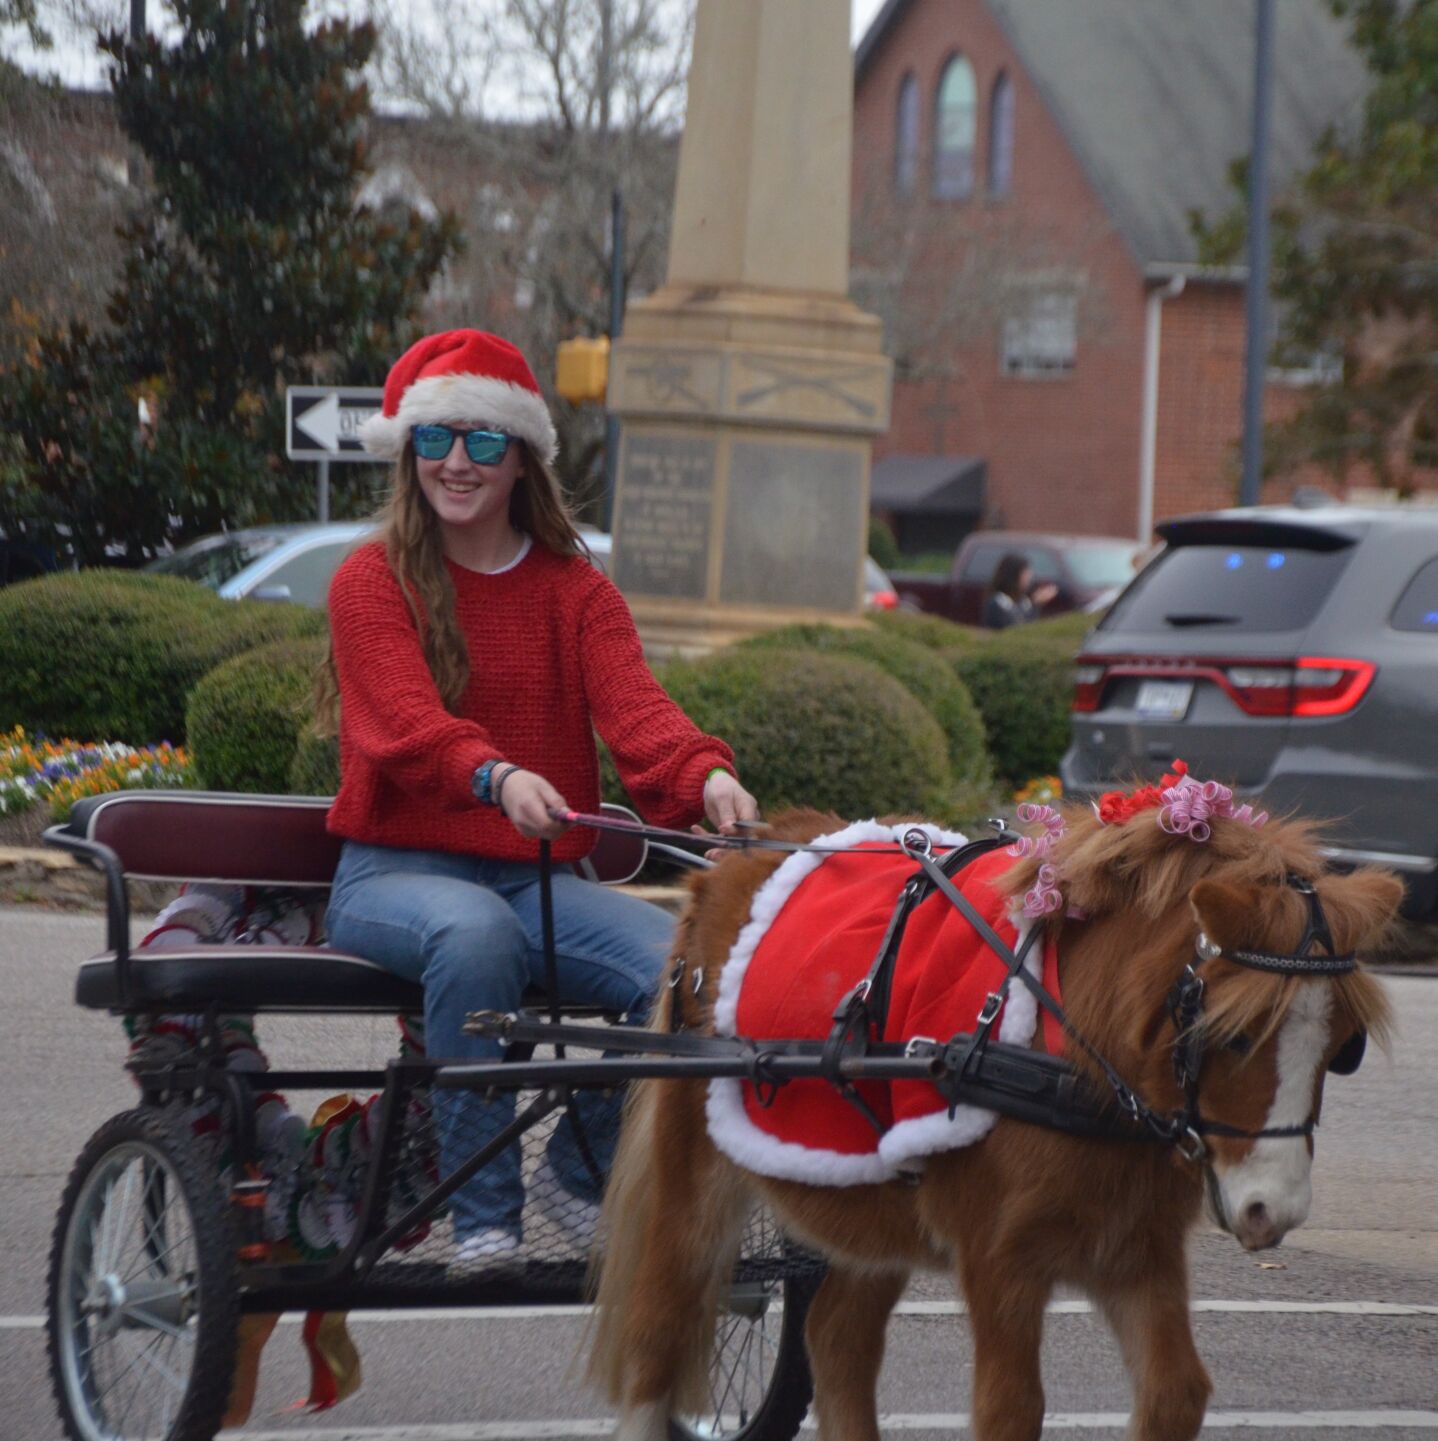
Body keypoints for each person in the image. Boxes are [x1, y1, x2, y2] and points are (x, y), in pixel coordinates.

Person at [316, 329, 758, 1270]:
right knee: (476, 935)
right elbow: (402, 725)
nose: (460, 463)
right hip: (396, 872)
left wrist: (706, 776)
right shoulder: (369, 582)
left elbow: (641, 717)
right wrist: (495, 774)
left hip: (534, 883)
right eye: (438, 440)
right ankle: (484, 1211)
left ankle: (581, 1165)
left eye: (486, 440)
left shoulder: (577, 593)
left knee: (684, 968)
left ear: (523, 459)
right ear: (410, 452)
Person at [980, 552, 1058, 630]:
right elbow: (1015, 627)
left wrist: (1036, 604)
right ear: (1014, 576)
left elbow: (1030, 624)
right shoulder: (997, 602)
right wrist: (1035, 604)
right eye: (1025, 574)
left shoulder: (1023, 601)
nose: (1029, 578)